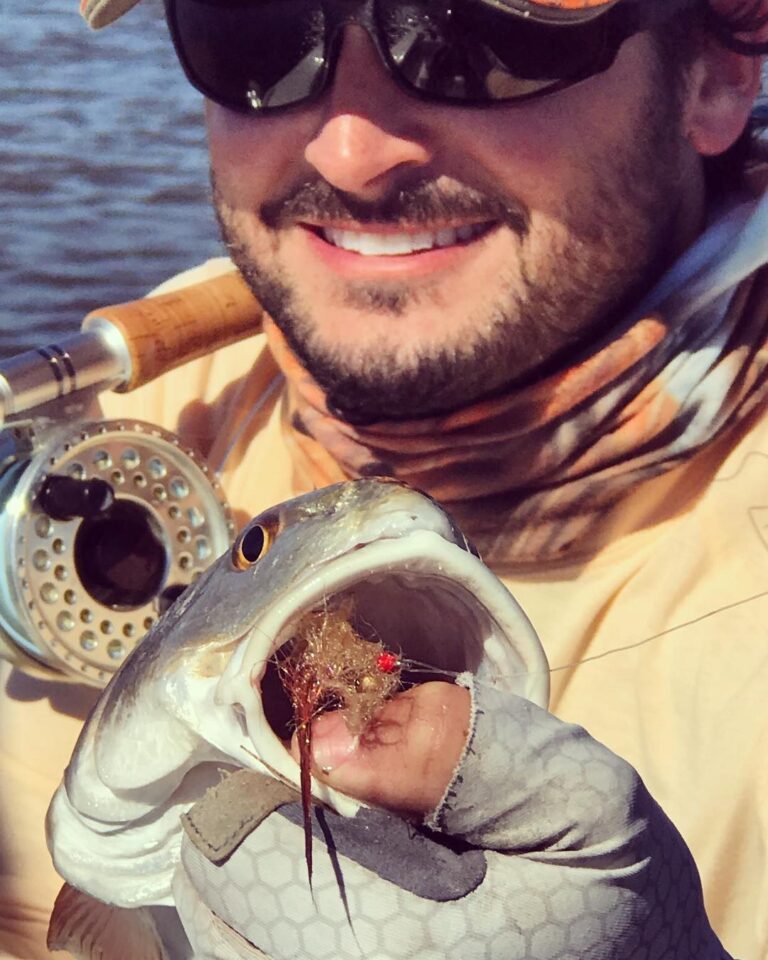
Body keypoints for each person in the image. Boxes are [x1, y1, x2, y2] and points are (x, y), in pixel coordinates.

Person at [2, 0, 767, 955]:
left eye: (473, 32)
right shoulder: (141, 424)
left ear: (720, 67)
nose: (351, 152)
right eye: (252, 31)